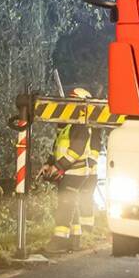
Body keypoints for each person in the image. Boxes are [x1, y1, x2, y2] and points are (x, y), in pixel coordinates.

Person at [48, 88, 98, 249]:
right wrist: (50, 163)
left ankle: (60, 240)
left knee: (65, 204)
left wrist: (58, 166)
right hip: (69, 171)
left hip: (76, 172)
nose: (70, 104)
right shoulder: (69, 124)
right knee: (71, 203)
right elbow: (58, 147)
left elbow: (76, 151)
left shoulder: (81, 126)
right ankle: (75, 238)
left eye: (74, 101)